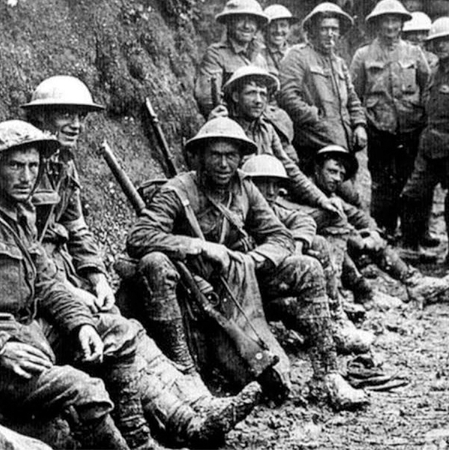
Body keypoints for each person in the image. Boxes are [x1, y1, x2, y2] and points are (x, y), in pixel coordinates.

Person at [0, 120, 260, 450]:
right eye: (15, 166)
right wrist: (0, 348)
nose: (26, 176)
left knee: (118, 332)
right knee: (86, 389)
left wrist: (81, 324)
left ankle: (142, 435)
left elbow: (47, 282)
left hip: (30, 335)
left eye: (33, 166)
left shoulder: (18, 218)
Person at [127, 116, 369, 411]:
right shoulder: (179, 190)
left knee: (309, 267)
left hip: (244, 280)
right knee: (250, 375)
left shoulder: (245, 188)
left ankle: (327, 375)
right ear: (200, 156)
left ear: (241, 158)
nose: (223, 164)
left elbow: (279, 235)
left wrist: (251, 261)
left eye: (231, 156)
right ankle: (187, 374)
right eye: (215, 154)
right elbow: (140, 237)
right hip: (202, 285)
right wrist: (198, 246)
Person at [240, 154, 374, 354]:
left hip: (270, 285)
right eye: (263, 185)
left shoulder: (272, 209)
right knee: (305, 273)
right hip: (248, 292)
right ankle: (327, 330)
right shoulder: (239, 211)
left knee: (318, 243)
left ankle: (335, 319)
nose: (270, 192)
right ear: (247, 186)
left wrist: (299, 244)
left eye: (275, 186)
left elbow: (303, 220)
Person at [20, 75, 115, 315]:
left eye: (81, 117)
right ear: (41, 116)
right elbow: (21, 242)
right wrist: (68, 291)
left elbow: (76, 227)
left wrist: (98, 278)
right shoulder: (22, 165)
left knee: (111, 313)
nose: (76, 125)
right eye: (66, 115)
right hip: (27, 273)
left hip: (58, 265)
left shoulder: (65, 163)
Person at [309, 145, 448, 306]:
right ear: (317, 168)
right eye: (332, 171)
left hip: (335, 251)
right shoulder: (304, 191)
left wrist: (373, 231)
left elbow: (359, 216)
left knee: (370, 239)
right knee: (334, 241)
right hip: (311, 249)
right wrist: (357, 238)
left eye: (341, 174)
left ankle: (413, 281)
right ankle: (362, 293)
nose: (337, 179)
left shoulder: (330, 195)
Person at [350, 0, 431, 241]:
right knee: (382, 183)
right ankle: (383, 232)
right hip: (379, 128)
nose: (391, 25)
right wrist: (361, 124)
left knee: (411, 181)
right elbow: (354, 93)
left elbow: (426, 87)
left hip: (410, 128)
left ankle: (413, 235)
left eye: (395, 20)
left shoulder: (414, 53)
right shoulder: (363, 55)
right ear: (377, 24)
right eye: (386, 20)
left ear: (402, 23)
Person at [221, 64, 345, 219]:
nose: (258, 101)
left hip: (271, 202)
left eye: (263, 94)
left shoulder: (267, 131)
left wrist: (321, 199)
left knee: (332, 214)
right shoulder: (225, 128)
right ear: (236, 96)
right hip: (239, 207)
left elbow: (290, 169)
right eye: (251, 93)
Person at [279, 2, 367, 206]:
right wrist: (316, 119)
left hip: (344, 145)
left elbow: (352, 99)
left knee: (344, 202)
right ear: (313, 31)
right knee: (341, 198)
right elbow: (287, 97)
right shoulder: (297, 56)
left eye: (334, 29)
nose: (330, 34)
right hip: (314, 147)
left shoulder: (339, 63)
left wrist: (360, 125)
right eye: (324, 28)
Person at [401, 18, 449, 263]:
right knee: (413, 193)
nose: (442, 45)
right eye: (438, 41)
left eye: (446, 40)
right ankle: (410, 245)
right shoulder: (435, 70)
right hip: (429, 144)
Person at [194, 0, 269, 118]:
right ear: (229, 23)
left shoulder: (260, 60)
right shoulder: (216, 54)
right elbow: (207, 99)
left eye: (251, 21)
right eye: (240, 20)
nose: (246, 26)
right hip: (230, 122)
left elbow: (266, 98)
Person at [261, 4, 299, 80]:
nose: (278, 30)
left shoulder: (296, 54)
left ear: (289, 29)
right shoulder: (258, 54)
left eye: (283, 25)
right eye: (273, 26)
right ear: (265, 29)